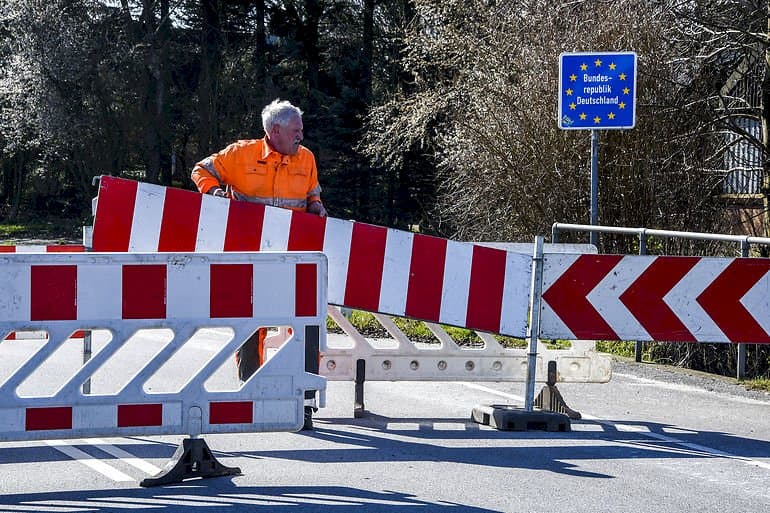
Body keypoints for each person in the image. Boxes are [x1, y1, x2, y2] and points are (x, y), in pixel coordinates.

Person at [191, 99, 326, 429]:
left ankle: (303, 403)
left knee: (306, 325)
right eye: (296, 130)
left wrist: (316, 205)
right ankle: (250, 394)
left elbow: (312, 191)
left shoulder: (305, 158)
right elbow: (201, 170)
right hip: (249, 257)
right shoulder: (240, 154)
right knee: (251, 325)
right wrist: (215, 196)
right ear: (274, 131)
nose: (301, 135)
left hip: (294, 258)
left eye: (301, 130)